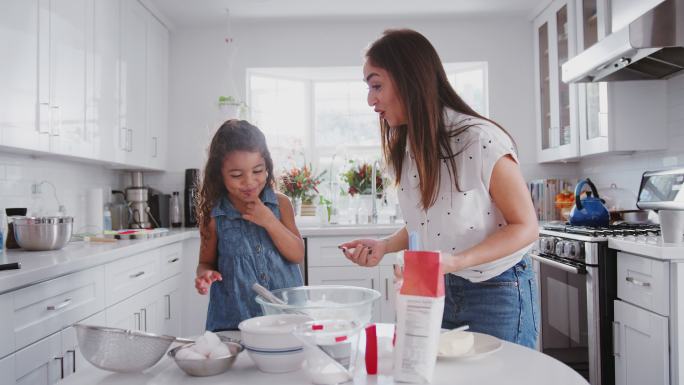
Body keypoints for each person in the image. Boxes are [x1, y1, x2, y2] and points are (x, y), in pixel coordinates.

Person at [339, 29, 540, 348]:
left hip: (496, 290)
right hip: (438, 285)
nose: (370, 100)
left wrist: (455, 262)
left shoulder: (480, 140)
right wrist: (385, 246)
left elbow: (526, 226)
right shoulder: (409, 146)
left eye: (377, 85)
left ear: (408, 79)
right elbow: (430, 221)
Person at [194, 119, 304, 331]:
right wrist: (205, 274)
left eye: (257, 171)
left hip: (286, 321)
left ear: (267, 167)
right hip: (234, 324)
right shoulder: (214, 215)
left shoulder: (281, 204)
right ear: (220, 175)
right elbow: (205, 262)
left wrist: (269, 221)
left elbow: (297, 254)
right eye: (236, 175)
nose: (249, 182)